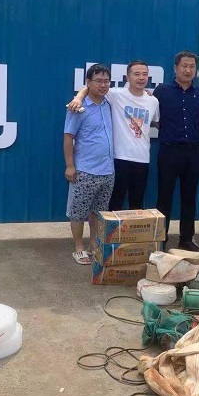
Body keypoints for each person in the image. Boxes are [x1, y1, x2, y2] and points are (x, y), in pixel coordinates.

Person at [67, 60, 160, 210]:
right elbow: (89, 87)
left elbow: (156, 122)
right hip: (119, 158)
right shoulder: (116, 94)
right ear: (127, 77)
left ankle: (133, 228)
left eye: (144, 74)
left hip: (142, 158)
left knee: (137, 204)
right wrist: (78, 98)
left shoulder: (153, 101)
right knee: (114, 204)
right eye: (136, 74)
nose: (141, 78)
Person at [153, 51, 199, 251]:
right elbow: (152, 115)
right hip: (169, 151)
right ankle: (161, 239)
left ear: (196, 70)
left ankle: (186, 239)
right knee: (164, 197)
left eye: (192, 66)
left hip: (193, 152)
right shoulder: (162, 91)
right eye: (184, 66)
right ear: (175, 68)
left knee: (189, 197)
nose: (188, 70)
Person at [63, 64, 115, 265]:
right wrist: (70, 165)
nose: (103, 85)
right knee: (78, 212)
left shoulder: (109, 103)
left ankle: (94, 244)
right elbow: (68, 137)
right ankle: (79, 247)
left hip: (107, 171)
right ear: (88, 83)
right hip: (85, 170)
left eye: (106, 81)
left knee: (98, 212)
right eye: (98, 81)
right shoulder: (78, 108)